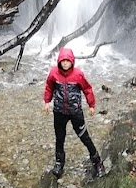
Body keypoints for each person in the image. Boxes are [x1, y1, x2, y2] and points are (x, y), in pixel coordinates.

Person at [43, 46, 103, 179]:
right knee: (60, 138)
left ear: (72, 62)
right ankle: (59, 163)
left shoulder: (78, 75)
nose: (65, 63)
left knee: (84, 136)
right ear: (59, 61)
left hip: (75, 112)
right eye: (62, 61)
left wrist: (91, 105)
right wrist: (47, 102)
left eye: (67, 61)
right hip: (59, 112)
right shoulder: (54, 73)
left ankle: (97, 162)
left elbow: (87, 89)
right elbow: (49, 87)